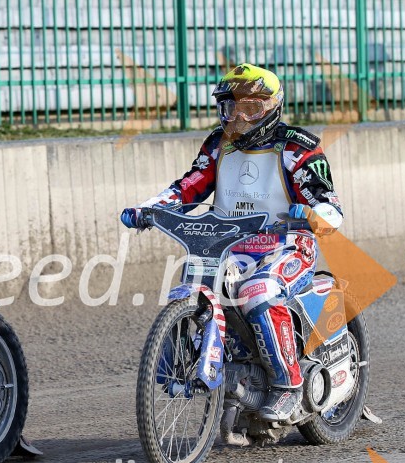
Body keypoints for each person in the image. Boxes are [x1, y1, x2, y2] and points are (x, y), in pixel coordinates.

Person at [120, 64, 344, 422]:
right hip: (229, 245)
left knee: (258, 291)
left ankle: (288, 383)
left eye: (250, 108)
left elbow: (327, 203)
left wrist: (316, 216)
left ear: (271, 108)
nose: (238, 117)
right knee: (193, 279)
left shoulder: (296, 148)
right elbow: (189, 186)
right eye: (230, 107)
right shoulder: (217, 144)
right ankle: (198, 365)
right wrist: (148, 208)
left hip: (287, 244)